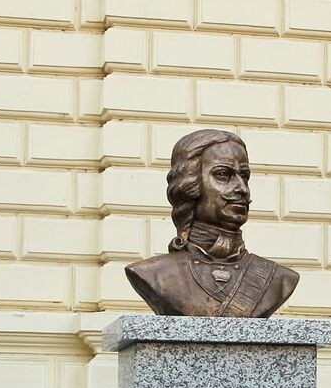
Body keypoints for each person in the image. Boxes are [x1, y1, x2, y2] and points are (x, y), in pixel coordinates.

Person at [124, 129, 299, 318]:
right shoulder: (155, 274)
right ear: (189, 184)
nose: (242, 189)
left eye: (245, 176)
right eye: (223, 174)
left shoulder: (279, 279)